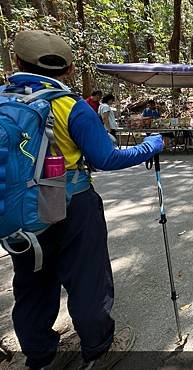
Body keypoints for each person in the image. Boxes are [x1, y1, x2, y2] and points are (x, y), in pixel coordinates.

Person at [1, 30, 163, 369]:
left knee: (31, 282)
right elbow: (106, 158)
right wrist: (150, 146)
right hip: (73, 203)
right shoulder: (68, 105)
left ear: (17, 62)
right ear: (69, 69)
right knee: (87, 277)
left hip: (18, 210)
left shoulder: (3, 99)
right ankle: (97, 348)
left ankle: (39, 354)